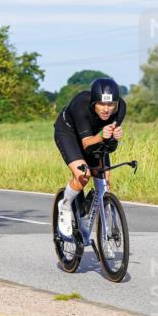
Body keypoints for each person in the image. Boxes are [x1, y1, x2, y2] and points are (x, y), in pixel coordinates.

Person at [53, 78, 126, 237]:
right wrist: (102, 135)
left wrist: (114, 136)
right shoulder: (80, 104)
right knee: (83, 175)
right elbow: (86, 144)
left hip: (95, 137)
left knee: (105, 179)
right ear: (94, 102)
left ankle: (102, 225)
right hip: (69, 134)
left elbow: (110, 146)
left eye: (111, 104)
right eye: (102, 104)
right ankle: (64, 206)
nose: (107, 109)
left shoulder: (120, 109)